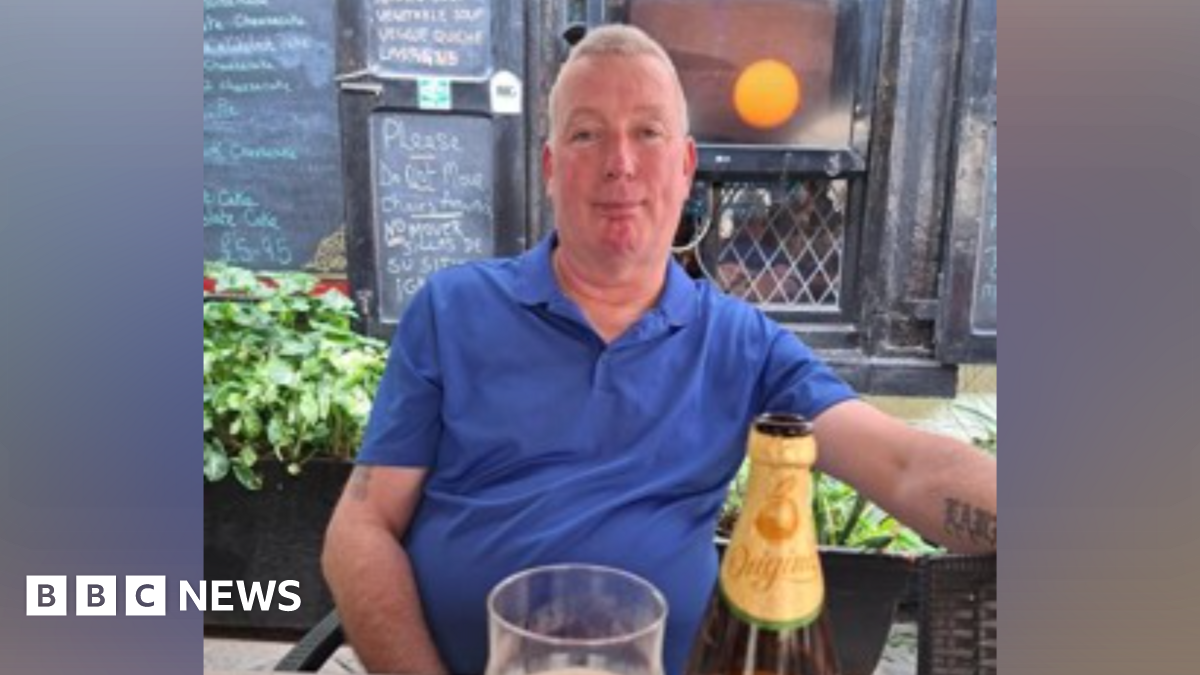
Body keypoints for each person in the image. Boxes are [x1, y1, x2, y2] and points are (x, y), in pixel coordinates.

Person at [323, 25, 997, 675]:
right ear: (552, 168)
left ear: (685, 166)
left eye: (647, 132)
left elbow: (906, 465)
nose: (620, 162)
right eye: (587, 134)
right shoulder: (452, 309)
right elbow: (362, 524)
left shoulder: (740, 345)